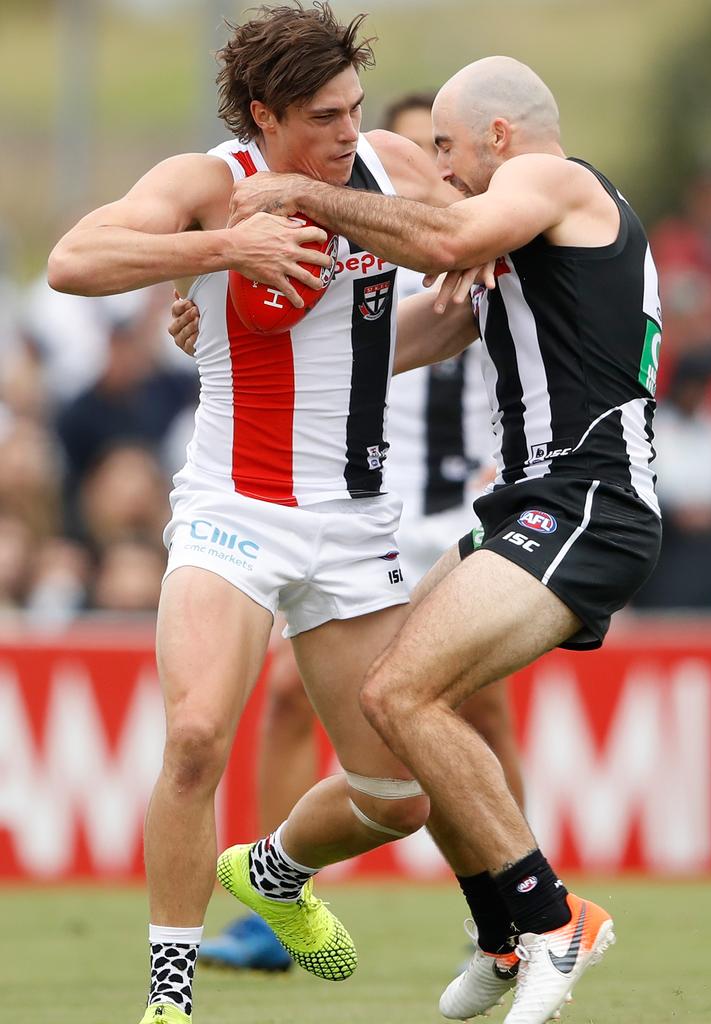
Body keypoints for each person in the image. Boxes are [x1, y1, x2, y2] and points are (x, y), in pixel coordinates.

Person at [47, 8, 501, 1024]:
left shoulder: (384, 165)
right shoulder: (211, 181)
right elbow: (72, 259)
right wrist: (219, 247)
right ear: (264, 114)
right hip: (233, 507)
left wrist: (481, 289)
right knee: (198, 734)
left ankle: (277, 869)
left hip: (355, 521)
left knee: (400, 798)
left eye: (353, 107)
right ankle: (171, 992)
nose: (351, 131)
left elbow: (470, 251)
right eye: (324, 115)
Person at [220, 54, 663, 1024]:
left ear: (501, 138)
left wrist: (299, 191)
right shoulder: (517, 248)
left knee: (399, 690)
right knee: (393, 702)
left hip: (592, 497)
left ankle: (554, 920)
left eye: (448, 149)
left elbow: (451, 229)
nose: (444, 169)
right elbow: (392, 345)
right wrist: (226, 333)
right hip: (536, 503)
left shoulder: (552, 179)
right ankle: (502, 936)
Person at [189, 89, 524, 974]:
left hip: (445, 501)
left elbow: (473, 330)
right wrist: (202, 320)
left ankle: (508, 897)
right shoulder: (337, 232)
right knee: (304, 698)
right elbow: (302, 347)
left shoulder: (449, 240)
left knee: (465, 702)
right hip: (348, 499)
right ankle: (274, 903)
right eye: (417, 147)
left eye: (435, 152)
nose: (421, 165)